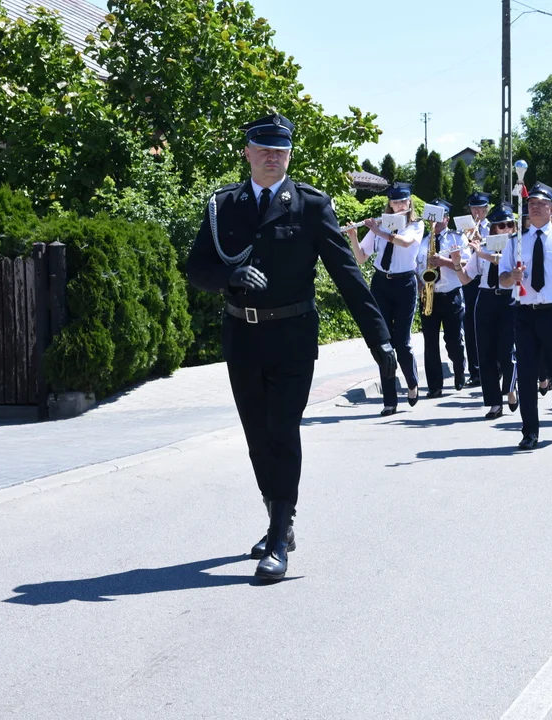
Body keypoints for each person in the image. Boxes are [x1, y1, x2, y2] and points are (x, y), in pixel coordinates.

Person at [186, 112, 397, 582]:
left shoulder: (310, 205)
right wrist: (229, 277)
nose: (271, 156)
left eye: (279, 149)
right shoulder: (225, 205)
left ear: (289, 154)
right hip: (242, 337)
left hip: (292, 339)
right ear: (246, 152)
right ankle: (276, 517)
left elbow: (348, 276)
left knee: (282, 431)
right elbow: (196, 268)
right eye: (262, 148)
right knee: (257, 437)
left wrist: (380, 340)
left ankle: (281, 536)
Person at [499, 182, 552, 450]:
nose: (534, 207)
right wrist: (510, 277)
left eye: (540, 204)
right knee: (525, 373)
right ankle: (529, 432)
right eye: (531, 204)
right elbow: (501, 279)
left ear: (551, 209)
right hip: (525, 312)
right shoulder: (516, 242)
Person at [347, 182, 425, 417]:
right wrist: (353, 234)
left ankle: (412, 382)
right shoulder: (379, 225)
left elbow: (404, 242)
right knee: (384, 343)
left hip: (404, 284)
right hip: (381, 283)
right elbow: (361, 257)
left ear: (409, 202)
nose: (400, 205)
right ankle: (389, 400)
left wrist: (380, 231)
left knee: (401, 341)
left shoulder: (415, 225)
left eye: (403, 201)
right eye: (395, 202)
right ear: (389, 203)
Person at [467, 203, 519, 419]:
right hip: (486, 298)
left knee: (507, 351)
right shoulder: (485, 245)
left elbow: (503, 262)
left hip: (509, 300)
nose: (505, 229)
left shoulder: (517, 245)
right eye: (500, 226)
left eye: (509, 225)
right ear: (494, 228)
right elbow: (467, 276)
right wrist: (455, 262)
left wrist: (482, 254)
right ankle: (493, 403)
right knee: (485, 352)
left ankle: (510, 387)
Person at [417, 198, 470, 398]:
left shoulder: (457, 238)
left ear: (447, 219)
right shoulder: (422, 242)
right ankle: (434, 385)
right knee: (430, 343)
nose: (436, 223)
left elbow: (468, 261)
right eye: (433, 218)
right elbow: (416, 268)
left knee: (453, 340)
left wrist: (444, 261)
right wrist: (420, 284)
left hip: (451, 295)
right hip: (429, 296)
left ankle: (459, 368)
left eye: (440, 218)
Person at [463, 191, 491, 387]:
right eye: (474, 208)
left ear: (487, 209)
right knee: (470, 325)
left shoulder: (495, 227)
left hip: (489, 278)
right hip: (471, 278)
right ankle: (475, 370)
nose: (477, 212)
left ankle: (493, 366)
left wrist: (482, 240)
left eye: (481, 208)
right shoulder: (464, 229)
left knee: (489, 326)